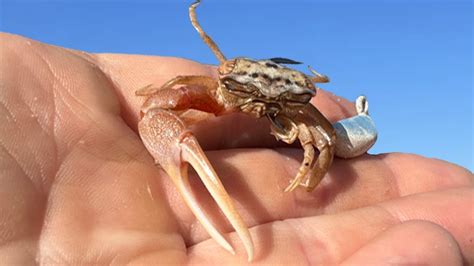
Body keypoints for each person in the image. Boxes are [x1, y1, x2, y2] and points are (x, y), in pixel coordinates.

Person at [1, 33, 472, 264]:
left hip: (295, 107)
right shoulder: (217, 87)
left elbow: (322, 141)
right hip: (234, 98)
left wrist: (310, 167)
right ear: (226, 74)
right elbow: (164, 98)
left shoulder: (301, 107)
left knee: (320, 144)